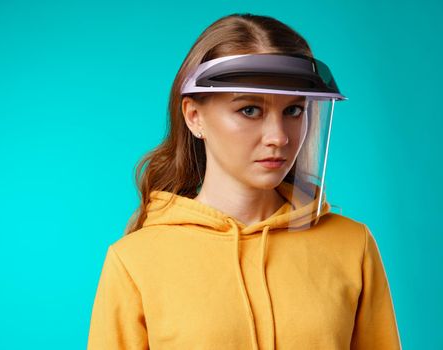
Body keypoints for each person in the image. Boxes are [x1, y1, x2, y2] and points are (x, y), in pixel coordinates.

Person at [86, 13, 401, 350]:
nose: (278, 137)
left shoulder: (352, 246)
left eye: (293, 110)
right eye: (250, 110)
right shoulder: (135, 261)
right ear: (194, 117)